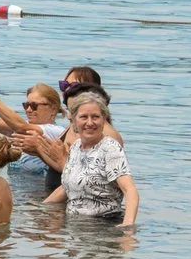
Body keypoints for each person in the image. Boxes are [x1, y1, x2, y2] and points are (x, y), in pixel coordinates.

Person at [35, 91, 138, 226]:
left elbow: (130, 190)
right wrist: (40, 209)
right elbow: (67, 187)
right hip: (75, 227)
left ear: (103, 120)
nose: (90, 123)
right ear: (74, 121)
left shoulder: (110, 149)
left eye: (95, 117)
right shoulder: (76, 147)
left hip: (102, 226)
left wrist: (128, 227)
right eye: (83, 117)